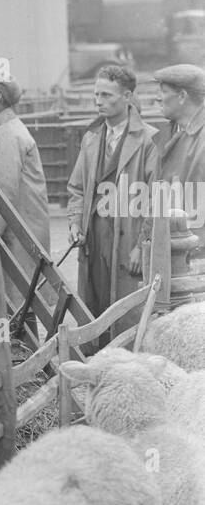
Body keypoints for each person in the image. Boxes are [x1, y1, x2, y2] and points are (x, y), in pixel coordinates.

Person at [66, 63, 158, 345]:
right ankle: (97, 365)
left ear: (128, 96)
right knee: (94, 304)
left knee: (126, 310)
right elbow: (77, 188)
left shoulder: (148, 141)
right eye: (96, 95)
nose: (98, 102)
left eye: (107, 95)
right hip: (93, 238)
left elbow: (157, 198)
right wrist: (74, 223)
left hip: (128, 237)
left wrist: (141, 246)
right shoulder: (91, 138)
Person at [0, 73, 51, 307]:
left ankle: (28, 345)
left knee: (19, 302)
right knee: (17, 301)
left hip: (16, 234)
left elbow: (3, 192)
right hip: (10, 231)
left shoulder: (7, 135)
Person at [151, 65, 205, 237]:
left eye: (163, 91)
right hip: (177, 242)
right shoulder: (174, 133)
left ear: (182, 96)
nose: (157, 98)